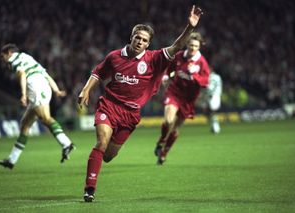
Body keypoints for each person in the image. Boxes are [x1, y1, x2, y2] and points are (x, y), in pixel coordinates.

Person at [77, 5, 203, 202]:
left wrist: (189, 28)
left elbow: (177, 47)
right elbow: (98, 73)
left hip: (131, 115)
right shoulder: (114, 56)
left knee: (109, 155)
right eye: (138, 37)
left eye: (144, 40)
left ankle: (98, 165)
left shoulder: (154, 59)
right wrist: (86, 89)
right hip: (108, 106)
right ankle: (89, 188)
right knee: (101, 141)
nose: (140, 41)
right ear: (132, 37)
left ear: (148, 44)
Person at [0, 44, 75, 169]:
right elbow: (46, 75)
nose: (2, 59)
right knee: (25, 124)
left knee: (45, 118)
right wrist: (56, 90)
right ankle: (12, 160)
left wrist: (23, 95)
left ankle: (67, 143)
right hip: (42, 85)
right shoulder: (27, 58)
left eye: (3, 56)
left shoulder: (13, 60)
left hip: (35, 87)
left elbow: (22, 74)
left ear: (10, 52)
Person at [153, 32, 210, 165]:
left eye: (196, 46)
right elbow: (170, 69)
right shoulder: (179, 56)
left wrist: (194, 75)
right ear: (187, 44)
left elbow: (205, 82)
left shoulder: (202, 63)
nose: (193, 48)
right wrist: (167, 77)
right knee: (168, 120)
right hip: (174, 93)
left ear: (199, 46)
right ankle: (161, 141)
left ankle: (163, 154)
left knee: (175, 128)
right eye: (191, 45)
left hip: (188, 99)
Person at [202, 69, 223, 133]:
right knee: (208, 112)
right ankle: (214, 126)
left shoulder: (211, 77)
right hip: (216, 95)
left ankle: (216, 127)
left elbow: (210, 87)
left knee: (211, 111)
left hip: (212, 96)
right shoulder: (218, 76)